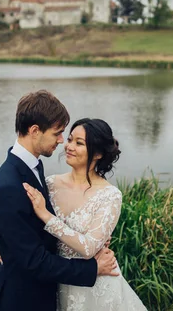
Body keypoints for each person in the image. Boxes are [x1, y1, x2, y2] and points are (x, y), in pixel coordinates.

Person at [0, 90, 119, 311]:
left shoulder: (34, 168)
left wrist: (92, 238)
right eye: (58, 134)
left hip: (47, 293)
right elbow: (34, 261)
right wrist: (92, 268)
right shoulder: (7, 186)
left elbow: (32, 230)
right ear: (35, 131)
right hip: (22, 301)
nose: (62, 142)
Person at [22, 118, 147, 310]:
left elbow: (89, 247)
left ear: (97, 153)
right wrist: (7, 247)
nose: (69, 146)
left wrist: (47, 216)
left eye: (79, 143)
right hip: (58, 279)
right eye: (70, 139)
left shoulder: (109, 196)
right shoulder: (50, 184)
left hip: (95, 286)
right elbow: (25, 223)